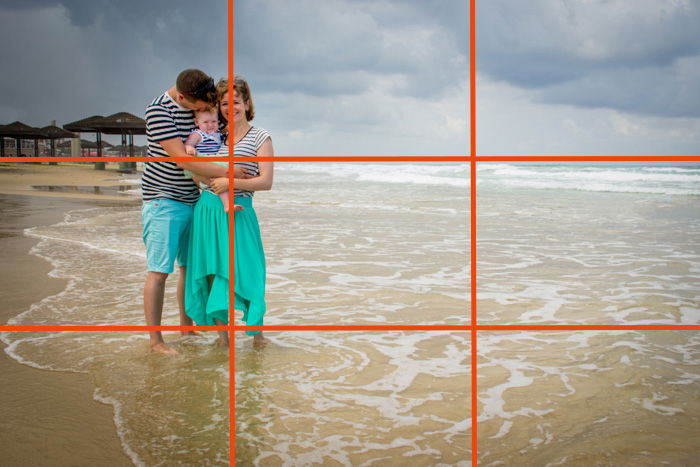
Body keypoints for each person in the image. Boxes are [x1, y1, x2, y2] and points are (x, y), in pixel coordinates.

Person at [142, 68, 232, 356]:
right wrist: (231, 172)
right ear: (182, 97)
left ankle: (186, 326)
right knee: (159, 271)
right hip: (163, 199)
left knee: (187, 268)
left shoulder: (200, 101)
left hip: (195, 199)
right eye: (199, 107)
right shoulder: (158, 111)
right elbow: (182, 160)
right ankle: (156, 342)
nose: (205, 111)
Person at [185, 75, 273, 347]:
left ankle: (257, 337)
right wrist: (203, 176)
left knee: (249, 272)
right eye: (224, 103)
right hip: (208, 211)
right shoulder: (214, 135)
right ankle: (223, 340)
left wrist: (229, 181)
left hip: (239, 211)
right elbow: (195, 170)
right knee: (214, 273)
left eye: (235, 101)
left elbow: (266, 181)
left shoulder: (261, 137)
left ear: (246, 103)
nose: (229, 107)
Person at [184, 108, 231, 212]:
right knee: (215, 181)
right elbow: (189, 143)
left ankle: (224, 203)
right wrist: (189, 148)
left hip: (214, 161)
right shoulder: (198, 134)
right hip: (203, 161)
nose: (210, 125)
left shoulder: (218, 134)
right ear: (197, 122)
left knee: (215, 182)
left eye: (214, 121)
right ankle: (227, 204)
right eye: (205, 122)